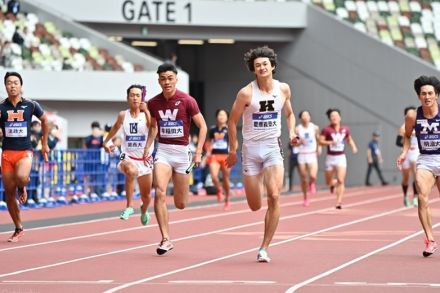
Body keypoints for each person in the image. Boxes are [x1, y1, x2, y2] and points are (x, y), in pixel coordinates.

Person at [226, 46, 299, 263]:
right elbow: (232, 121)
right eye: (257, 65)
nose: (262, 67)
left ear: (272, 66)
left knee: (274, 196)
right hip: (250, 149)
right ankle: (256, 184)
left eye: (265, 64)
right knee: (255, 205)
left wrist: (292, 131)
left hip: (272, 147)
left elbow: (290, 114)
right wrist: (232, 149)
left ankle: (264, 248)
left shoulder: (283, 89)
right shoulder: (246, 93)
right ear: (253, 70)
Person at [144, 63, 207, 255]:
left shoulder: (187, 101)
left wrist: (198, 152)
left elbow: (202, 127)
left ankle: (177, 206)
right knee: (160, 192)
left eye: (170, 78)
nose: (166, 82)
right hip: (163, 151)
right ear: (159, 81)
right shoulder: (153, 103)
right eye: (163, 79)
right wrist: (148, 147)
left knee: (180, 203)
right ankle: (165, 238)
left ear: (176, 79)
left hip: (182, 153)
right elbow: (154, 127)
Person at [1, 72, 49, 242]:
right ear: (5, 86)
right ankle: (18, 227)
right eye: (9, 83)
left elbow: (45, 120)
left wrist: (44, 143)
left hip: (24, 152)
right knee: (8, 194)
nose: (12, 85)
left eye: (15, 82)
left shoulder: (31, 105)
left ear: (21, 86)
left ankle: (23, 186)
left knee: (21, 177)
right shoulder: (1, 107)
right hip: (7, 153)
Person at [397, 75, 440, 257]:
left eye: (430, 93)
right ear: (418, 96)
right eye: (423, 94)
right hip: (426, 159)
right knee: (422, 197)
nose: (427, 97)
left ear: (436, 95)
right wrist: (405, 152)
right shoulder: (413, 116)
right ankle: (430, 240)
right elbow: (407, 136)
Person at [104, 85, 153, 223]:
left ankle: (144, 210)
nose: (135, 98)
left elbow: (152, 127)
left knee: (147, 196)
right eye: (132, 95)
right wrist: (106, 141)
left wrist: (147, 111)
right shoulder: (122, 115)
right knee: (131, 171)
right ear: (127, 98)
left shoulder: (147, 113)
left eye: (138, 95)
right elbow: (115, 128)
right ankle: (129, 206)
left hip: (145, 159)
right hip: (127, 156)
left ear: (142, 98)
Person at [319, 108, 358, 209]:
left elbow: (349, 139)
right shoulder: (326, 130)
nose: (334, 118)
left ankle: (339, 202)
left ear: (340, 117)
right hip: (330, 157)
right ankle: (332, 184)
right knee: (328, 182)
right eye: (332, 116)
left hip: (341, 157)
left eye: (336, 116)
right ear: (329, 119)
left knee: (341, 180)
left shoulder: (345, 129)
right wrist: (330, 142)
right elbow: (320, 141)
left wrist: (353, 147)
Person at [206, 109, 231, 209]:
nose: (221, 117)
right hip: (215, 156)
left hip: (226, 156)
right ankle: (219, 189)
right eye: (220, 115)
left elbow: (234, 143)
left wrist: (233, 152)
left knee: (225, 178)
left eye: (224, 115)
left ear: (227, 117)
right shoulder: (212, 129)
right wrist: (208, 149)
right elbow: (208, 142)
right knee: (213, 176)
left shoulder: (229, 129)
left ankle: (227, 200)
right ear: (217, 117)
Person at [295, 110, 320, 206]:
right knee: (304, 178)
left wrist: (319, 149)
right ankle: (305, 197)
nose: (306, 117)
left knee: (313, 175)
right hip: (302, 154)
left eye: (307, 115)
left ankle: (312, 183)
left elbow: (318, 139)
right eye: (303, 116)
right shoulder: (297, 129)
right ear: (301, 118)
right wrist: (300, 142)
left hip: (312, 153)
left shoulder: (315, 128)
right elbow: (294, 143)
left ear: (310, 117)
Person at [396, 106, 419, 207]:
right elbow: (397, 142)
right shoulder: (402, 127)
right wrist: (406, 144)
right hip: (406, 153)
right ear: (406, 115)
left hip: (416, 153)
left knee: (416, 175)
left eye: (414, 113)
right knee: (406, 178)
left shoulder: (419, 125)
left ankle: (415, 197)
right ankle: (405, 196)